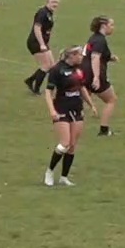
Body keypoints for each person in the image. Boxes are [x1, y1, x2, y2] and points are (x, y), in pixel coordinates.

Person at [42, 46, 93, 187]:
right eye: (79, 55)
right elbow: (48, 92)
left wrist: (91, 104)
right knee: (65, 143)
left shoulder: (79, 69)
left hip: (76, 108)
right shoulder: (57, 70)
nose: (82, 57)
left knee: (72, 146)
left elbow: (81, 87)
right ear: (72, 56)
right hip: (61, 108)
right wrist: (52, 110)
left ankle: (64, 177)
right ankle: (50, 171)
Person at [86, 16, 120, 136]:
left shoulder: (93, 38)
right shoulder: (100, 41)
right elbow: (95, 57)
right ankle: (104, 130)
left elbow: (95, 54)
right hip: (96, 75)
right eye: (111, 25)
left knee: (80, 100)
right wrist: (96, 77)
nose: (113, 28)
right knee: (111, 100)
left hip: (85, 74)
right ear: (103, 26)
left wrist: (111, 57)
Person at [23, 0, 60, 95]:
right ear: (47, 2)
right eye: (53, 2)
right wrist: (42, 44)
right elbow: (37, 28)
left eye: (57, 2)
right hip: (35, 42)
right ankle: (36, 88)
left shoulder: (50, 13)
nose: (55, 4)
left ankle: (30, 80)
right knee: (46, 66)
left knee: (52, 66)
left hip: (42, 42)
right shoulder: (42, 12)